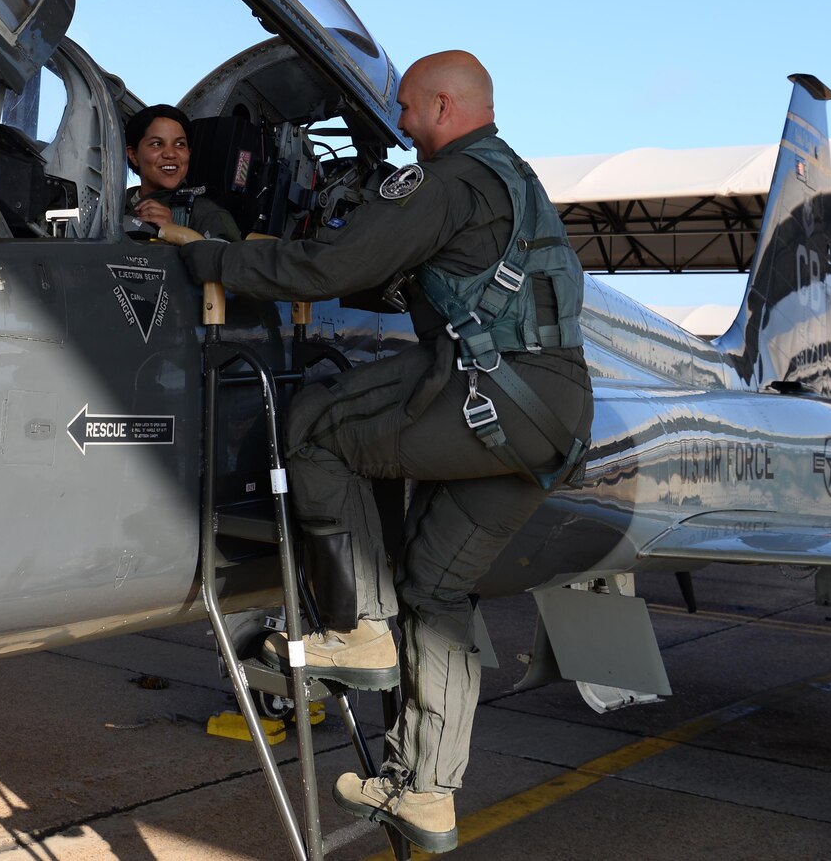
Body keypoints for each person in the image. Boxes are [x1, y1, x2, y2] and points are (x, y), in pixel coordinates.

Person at [171, 51, 593, 852]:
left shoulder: (446, 182)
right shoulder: (515, 183)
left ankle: (359, 622)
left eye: (405, 108)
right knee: (436, 594)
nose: (398, 125)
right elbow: (403, 280)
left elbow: (334, 266)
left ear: (442, 105)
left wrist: (217, 257)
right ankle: (427, 790)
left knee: (316, 423)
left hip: (491, 395)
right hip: (554, 414)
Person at [123, 104, 241, 242]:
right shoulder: (111, 208)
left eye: (180, 144)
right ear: (133, 155)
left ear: (188, 153)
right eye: (157, 144)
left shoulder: (207, 214)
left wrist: (173, 232)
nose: (170, 154)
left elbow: (226, 262)